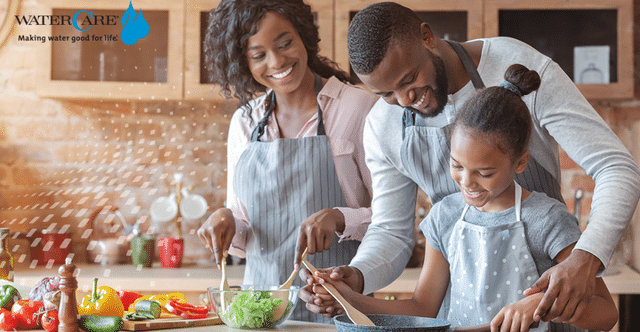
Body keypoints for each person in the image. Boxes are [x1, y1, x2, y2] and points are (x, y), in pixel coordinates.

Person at [299, 1, 640, 325]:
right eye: (386, 94)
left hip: (552, 301)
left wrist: (585, 258)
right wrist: (355, 278)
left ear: (427, 37)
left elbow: (616, 168)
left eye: (408, 80)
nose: (405, 101)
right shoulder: (383, 125)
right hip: (461, 313)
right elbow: (391, 232)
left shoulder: (514, 64)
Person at [196, 0, 378, 323]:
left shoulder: (359, 108)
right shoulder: (244, 123)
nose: (277, 61)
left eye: (285, 44)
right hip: (259, 315)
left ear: (303, 35)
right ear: (243, 63)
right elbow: (244, 232)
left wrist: (340, 218)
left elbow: (390, 223)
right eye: (259, 55)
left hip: (339, 309)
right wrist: (225, 220)